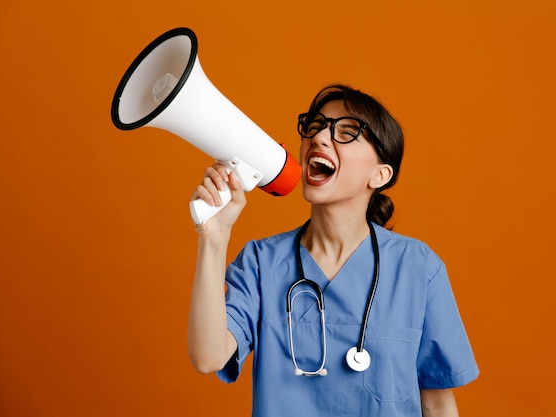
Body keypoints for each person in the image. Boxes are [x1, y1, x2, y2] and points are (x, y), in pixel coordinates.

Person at [188, 84, 479, 417]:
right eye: (315, 126)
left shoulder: (418, 268)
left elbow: (438, 404)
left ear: (379, 175)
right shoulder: (260, 263)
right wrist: (214, 235)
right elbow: (209, 357)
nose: (320, 138)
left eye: (347, 132)